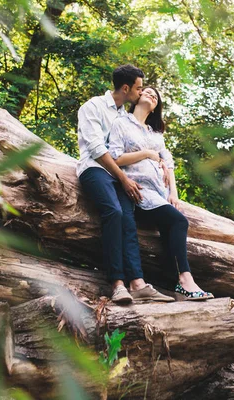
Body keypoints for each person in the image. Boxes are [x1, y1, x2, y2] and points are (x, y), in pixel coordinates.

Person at [77, 65, 174, 304]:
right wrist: (123, 178)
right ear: (126, 88)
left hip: (120, 174)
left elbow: (146, 146)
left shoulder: (124, 116)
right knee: (114, 212)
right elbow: (97, 151)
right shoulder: (93, 107)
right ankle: (117, 283)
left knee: (128, 220)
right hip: (95, 169)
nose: (141, 94)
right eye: (140, 89)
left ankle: (138, 283)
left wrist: (160, 165)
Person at [108, 87, 214, 301]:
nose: (152, 95)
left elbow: (169, 163)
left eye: (156, 96)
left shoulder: (155, 134)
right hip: (136, 189)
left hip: (159, 192)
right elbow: (115, 158)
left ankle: (177, 284)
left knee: (171, 225)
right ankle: (185, 281)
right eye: (147, 92)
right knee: (178, 222)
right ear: (137, 98)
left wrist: (173, 192)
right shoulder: (121, 123)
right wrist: (147, 154)